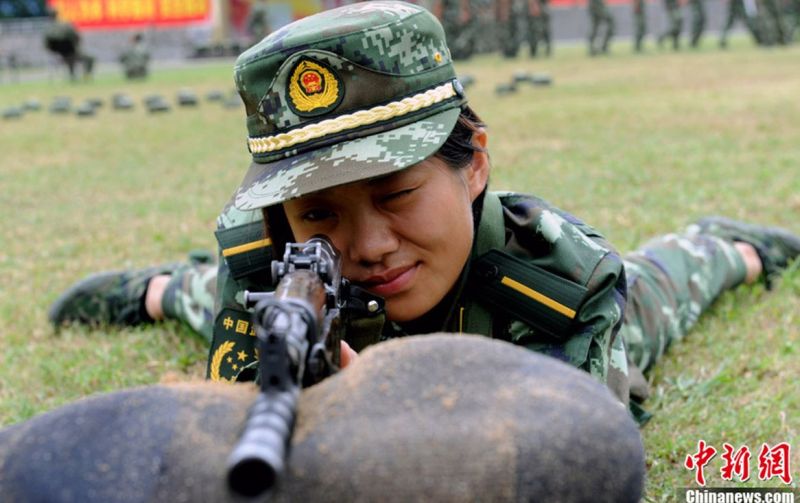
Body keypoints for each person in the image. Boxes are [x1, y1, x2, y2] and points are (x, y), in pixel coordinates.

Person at [49, 0, 800, 426]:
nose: (369, 244)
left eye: (397, 193)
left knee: (667, 285)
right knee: (192, 296)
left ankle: (728, 246)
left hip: (548, 298)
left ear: (473, 162)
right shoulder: (272, 262)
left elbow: (565, 454)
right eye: (319, 215)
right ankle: (151, 287)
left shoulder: (560, 287)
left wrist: (377, 406)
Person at [42, 6, 94, 81]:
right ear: (57, 14)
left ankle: (72, 76)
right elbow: (76, 37)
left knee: (70, 57)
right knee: (89, 58)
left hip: (58, 55)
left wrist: (55, 51)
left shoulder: (47, 29)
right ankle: (86, 76)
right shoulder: (66, 25)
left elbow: (46, 45)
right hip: (72, 52)